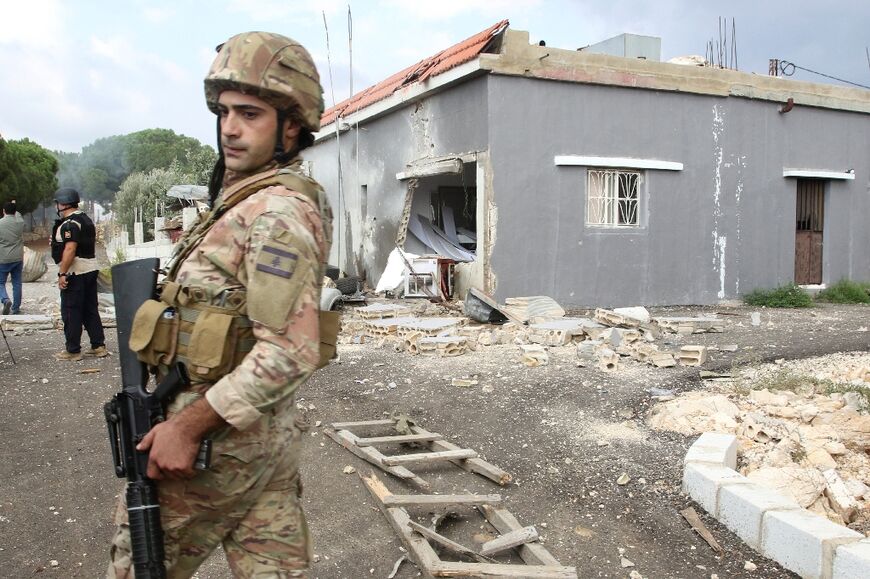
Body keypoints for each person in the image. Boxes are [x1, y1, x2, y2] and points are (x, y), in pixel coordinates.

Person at [107, 31, 332, 578]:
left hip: (213, 454)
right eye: (225, 112)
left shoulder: (276, 213)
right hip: (258, 446)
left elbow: (289, 351)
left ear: (291, 125)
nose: (230, 128)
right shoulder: (242, 200)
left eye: (250, 113)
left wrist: (185, 428)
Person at [51, 188, 107, 361]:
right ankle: (98, 346)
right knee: (90, 308)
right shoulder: (85, 219)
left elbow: (70, 249)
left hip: (76, 271)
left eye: (58, 202)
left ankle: (73, 350)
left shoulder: (69, 224)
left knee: (71, 310)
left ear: (63, 203)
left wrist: (62, 273)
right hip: (90, 268)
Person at [0, 200, 24, 315]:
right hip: (18, 258)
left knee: (0, 283)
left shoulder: (0, 223)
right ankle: (16, 308)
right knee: (17, 282)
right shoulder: (19, 222)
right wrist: (14, 204)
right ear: (15, 212)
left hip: (3, 258)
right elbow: (18, 215)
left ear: (3, 211)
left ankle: (5, 300)